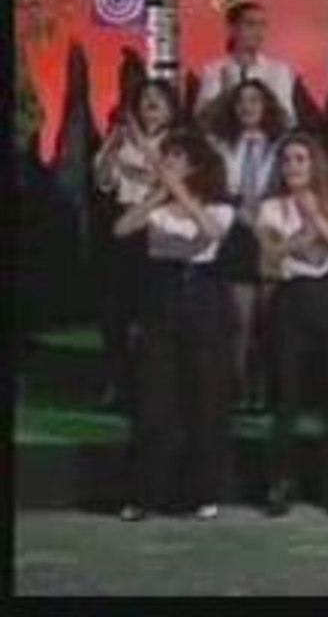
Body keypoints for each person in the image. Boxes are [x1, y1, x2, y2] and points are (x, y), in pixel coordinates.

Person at [114, 133, 235, 522]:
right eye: (165, 156)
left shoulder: (219, 206)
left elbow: (210, 233)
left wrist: (178, 190)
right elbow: (122, 228)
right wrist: (155, 194)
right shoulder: (156, 208)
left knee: (203, 396)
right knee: (154, 395)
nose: (167, 162)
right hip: (161, 294)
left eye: (176, 157)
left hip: (203, 295)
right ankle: (145, 493)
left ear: (194, 164)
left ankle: (202, 492)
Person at [258, 134, 328, 516]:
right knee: (287, 392)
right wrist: (305, 239)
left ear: (314, 165)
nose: (293, 166)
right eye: (287, 160)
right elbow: (271, 256)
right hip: (289, 299)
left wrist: (311, 218)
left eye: (300, 159)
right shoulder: (270, 208)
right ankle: (281, 481)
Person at [92, 78, 180, 409]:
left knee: (153, 314)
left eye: (159, 98)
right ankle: (117, 382)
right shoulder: (122, 139)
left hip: (159, 228)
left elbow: (168, 182)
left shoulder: (177, 142)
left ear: (172, 107)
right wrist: (113, 149)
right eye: (145, 98)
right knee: (115, 312)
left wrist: (142, 152)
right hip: (122, 225)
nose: (151, 103)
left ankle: (153, 388)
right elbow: (103, 182)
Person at [208, 78, 289, 411]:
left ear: (266, 106)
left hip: (272, 232)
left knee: (270, 321)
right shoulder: (222, 145)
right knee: (239, 322)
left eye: (255, 100)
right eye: (241, 101)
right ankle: (238, 390)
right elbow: (216, 188)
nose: (247, 107)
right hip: (237, 235)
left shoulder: (282, 145)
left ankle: (268, 390)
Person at [195, 0, 296, 127]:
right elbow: (201, 118)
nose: (258, 32)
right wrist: (225, 94)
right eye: (251, 24)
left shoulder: (278, 70)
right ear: (232, 29)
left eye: (263, 25)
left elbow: (288, 119)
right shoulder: (214, 69)